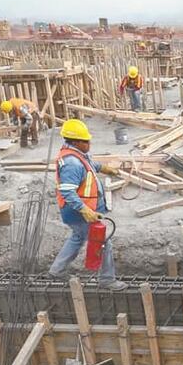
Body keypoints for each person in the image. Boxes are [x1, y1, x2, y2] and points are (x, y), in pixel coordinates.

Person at [48, 119, 127, 291]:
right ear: (76, 142)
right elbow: (67, 192)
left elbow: (90, 164)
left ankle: (57, 270)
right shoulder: (72, 163)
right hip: (79, 211)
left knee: (78, 237)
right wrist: (84, 210)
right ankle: (107, 280)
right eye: (86, 141)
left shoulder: (76, 154)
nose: (89, 144)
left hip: (81, 210)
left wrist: (105, 168)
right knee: (103, 242)